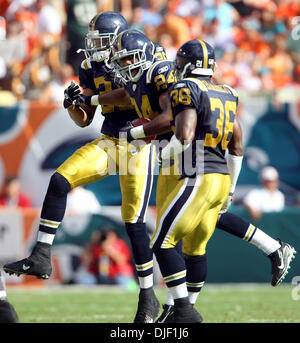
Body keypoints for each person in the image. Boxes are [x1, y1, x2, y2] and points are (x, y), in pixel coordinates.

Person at [80, 31, 296, 322]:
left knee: (162, 242)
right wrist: (230, 188)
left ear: (184, 64)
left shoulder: (185, 88)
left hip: (198, 172)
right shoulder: (228, 93)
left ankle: (183, 309)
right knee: (195, 247)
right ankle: (178, 308)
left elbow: (183, 135)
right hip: (218, 175)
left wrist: (156, 152)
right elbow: (237, 146)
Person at [3, 12, 160, 323]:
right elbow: (85, 117)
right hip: (111, 140)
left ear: (117, 40)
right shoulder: (89, 66)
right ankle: (42, 255)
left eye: (101, 40)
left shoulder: (138, 54)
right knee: (60, 180)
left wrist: (96, 97)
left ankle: (147, 296)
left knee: (134, 223)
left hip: (139, 144)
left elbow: (131, 91)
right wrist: (74, 103)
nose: (94, 46)